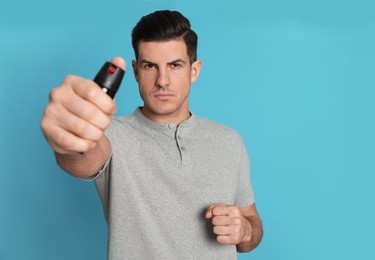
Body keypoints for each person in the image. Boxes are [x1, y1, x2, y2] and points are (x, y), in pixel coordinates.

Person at [41, 10, 263, 259]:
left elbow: (252, 224)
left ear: (194, 70)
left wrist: (245, 231)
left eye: (175, 65)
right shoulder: (111, 134)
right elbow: (83, 156)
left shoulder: (229, 141)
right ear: (136, 71)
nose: (162, 81)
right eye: (150, 66)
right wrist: (71, 139)